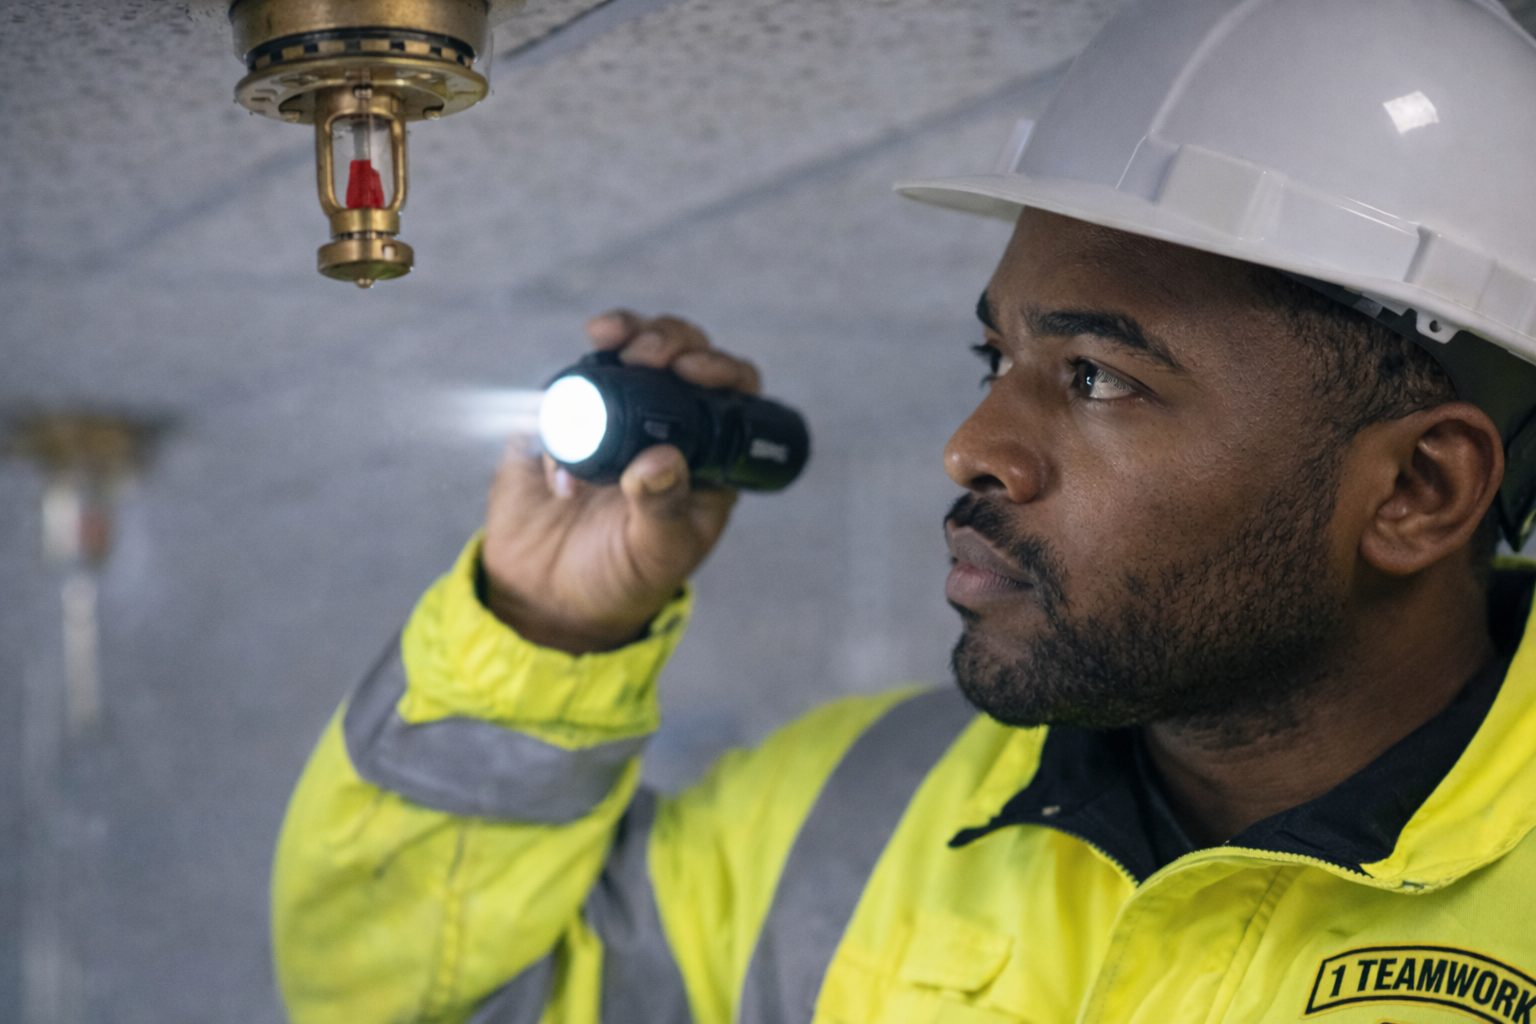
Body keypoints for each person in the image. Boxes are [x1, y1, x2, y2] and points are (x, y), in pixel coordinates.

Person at [272, 1, 1536, 1022]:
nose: (970, 446)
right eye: (999, 360)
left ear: (1417, 490)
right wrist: (542, 637)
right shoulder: (850, 814)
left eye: (1098, 376)